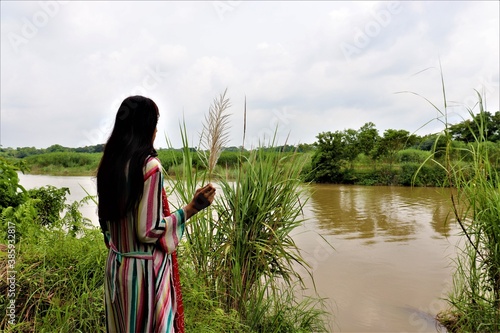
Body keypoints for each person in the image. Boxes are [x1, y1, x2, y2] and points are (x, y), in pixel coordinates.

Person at [96, 95, 215, 333]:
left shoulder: (111, 163)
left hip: (117, 268)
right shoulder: (149, 167)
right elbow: (148, 231)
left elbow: (106, 224)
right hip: (143, 273)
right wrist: (192, 208)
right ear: (146, 126)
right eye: (155, 122)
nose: (157, 129)